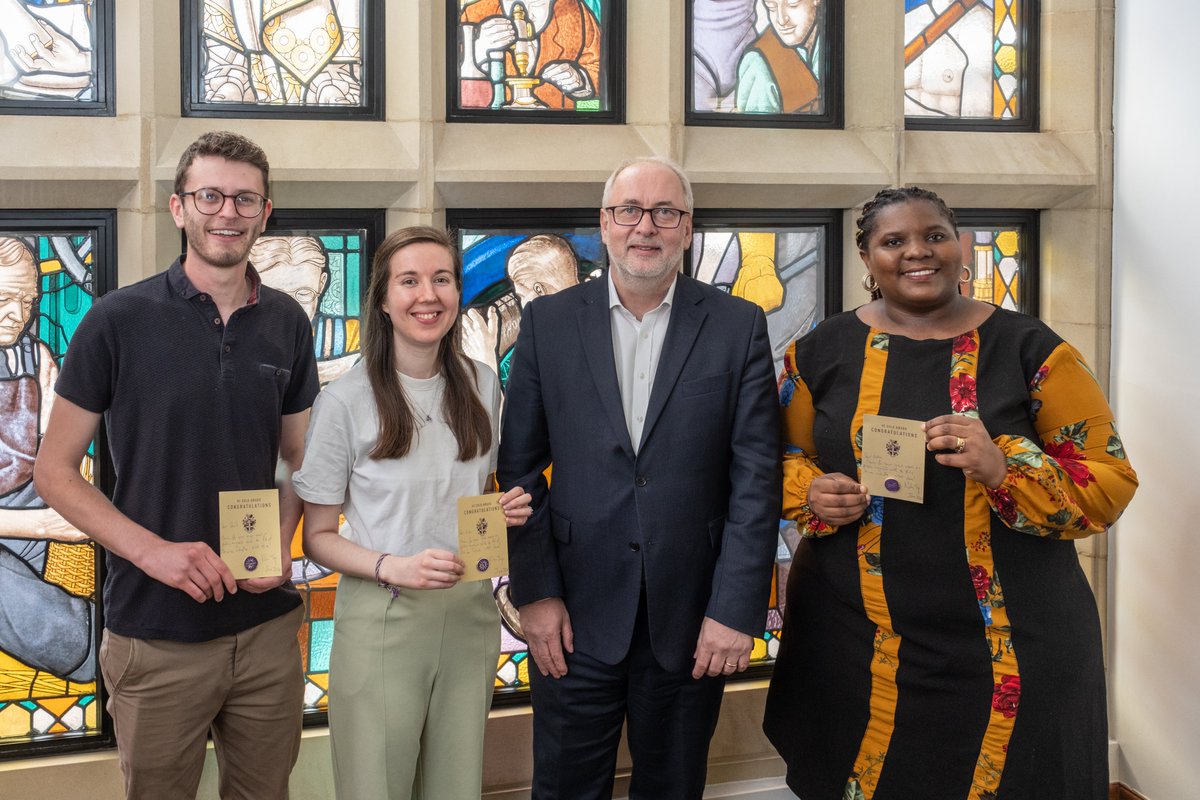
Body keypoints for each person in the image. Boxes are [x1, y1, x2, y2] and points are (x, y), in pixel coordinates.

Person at [763, 186, 1139, 799]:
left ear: (960, 246)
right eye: (894, 241)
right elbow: (772, 457)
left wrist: (1002, 467)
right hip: (855, 636)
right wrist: (812, 492)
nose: (919, 252)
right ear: (867, 257)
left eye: (934, 236)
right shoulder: (818, 352)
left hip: (1010, 643)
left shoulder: (1033, 350)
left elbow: (1110, 480)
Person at [33, 130, 318, 800]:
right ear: (178, 208)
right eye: (210, 196)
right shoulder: (115, 321)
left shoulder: (287, 324)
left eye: (245, 200)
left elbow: (298, 461)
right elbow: (54, 471)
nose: (228, 213)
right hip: (156, 633)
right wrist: (153, 552)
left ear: (266, 212)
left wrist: (277, 542)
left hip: (266, 628)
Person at [498, 156, 781, 799]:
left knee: (674, 788)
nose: (645, 227)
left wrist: (736, 610)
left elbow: (756, 479)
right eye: (630, 211)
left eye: (665, 213)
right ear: (605, 224)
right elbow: (519, 470)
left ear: (687, 228)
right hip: (572, 617)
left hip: (694, 621)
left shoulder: (737, 327)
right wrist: (536, 596)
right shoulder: (550, 323)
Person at [292, 225, 532, 799]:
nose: (429, 295)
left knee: (455, 786)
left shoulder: (481, 385)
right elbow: (318, 536)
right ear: (382, 299)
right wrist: (390, 566)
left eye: (442, 279)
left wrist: (501, 511)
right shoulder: (344, 401)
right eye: (410, 281)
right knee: (378, 786)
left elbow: (467, 499)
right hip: (384, 615)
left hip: (470, 616)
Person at [0, 235, 93, 682]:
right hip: (21, 526)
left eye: (27, 300)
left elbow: (62, 448)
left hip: (31, 502)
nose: (18, 314)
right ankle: (94, 648)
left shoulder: (35, 356)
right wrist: (40, 525)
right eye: (4, 297)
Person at [460, 0, 601, 110]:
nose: (528, 13)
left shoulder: (573, 11)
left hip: (560, 132)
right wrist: (477, 50)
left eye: (537, 3)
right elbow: (455, 90)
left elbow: (602, 77)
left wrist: (581, 82)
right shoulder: (474, 14)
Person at [735, 0, 823, 114]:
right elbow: (757, 129)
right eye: (771, 7)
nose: (781, 20)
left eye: (793, 4)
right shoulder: (760, 64)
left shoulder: (837, 39)